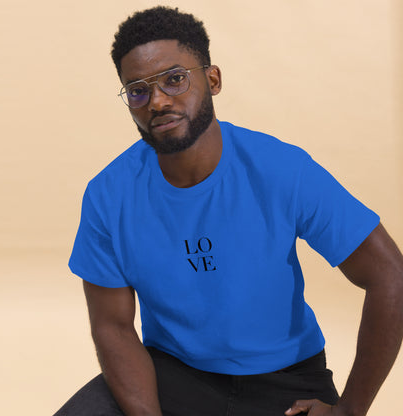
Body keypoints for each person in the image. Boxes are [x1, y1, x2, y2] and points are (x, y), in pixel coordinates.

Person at [54, 6, 403, 416]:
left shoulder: (281, 169)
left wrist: (349, 411)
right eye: (137, 90)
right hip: (172, 373)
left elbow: (390, 276)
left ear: (212, 79)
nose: (158, 101)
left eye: (175, 79)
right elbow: (112, 325)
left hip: (286, 380)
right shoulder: (107, 194)